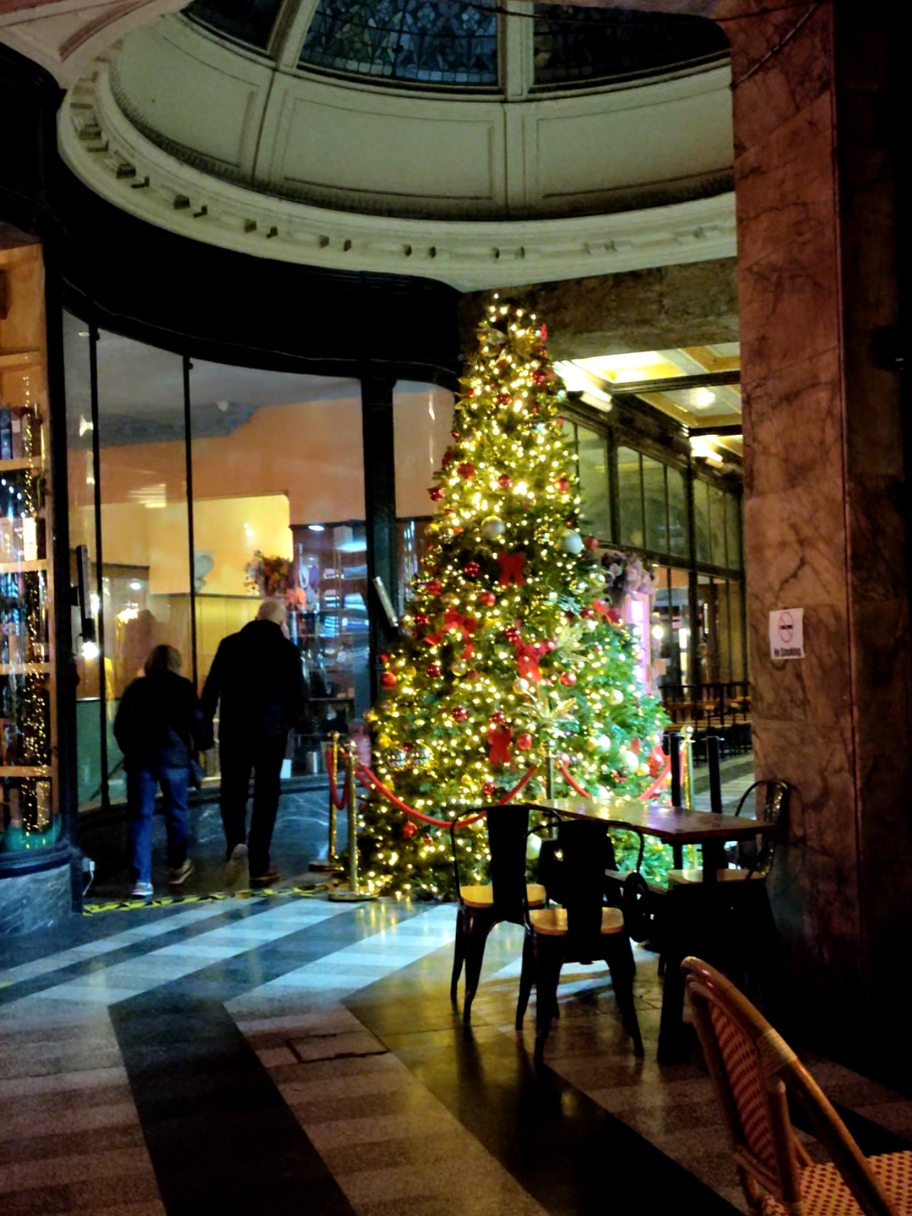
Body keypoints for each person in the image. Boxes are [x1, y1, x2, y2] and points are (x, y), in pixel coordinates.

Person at [201, 599, 306, 888]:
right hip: (271, 734)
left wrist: (203, 732)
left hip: (235, 730)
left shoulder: (229, 644)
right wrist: (284, 722)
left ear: (256, 617)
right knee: (267, 793)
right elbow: (300, 696)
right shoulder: (287, 650)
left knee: (232, 790)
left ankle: (235, 844)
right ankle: (259, 861)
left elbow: (211, 690)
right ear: (281, 624)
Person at [114, 644, 212, 899]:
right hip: (174, 758)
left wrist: (131, 750)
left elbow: (120, 726)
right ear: (176, 663)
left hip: (140, 760)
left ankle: (141, 880)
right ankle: (177, 866)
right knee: (177, 813)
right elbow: (196, 719)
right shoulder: (182, 686)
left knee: (139, 817)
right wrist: (204, 745)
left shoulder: (135, 688)